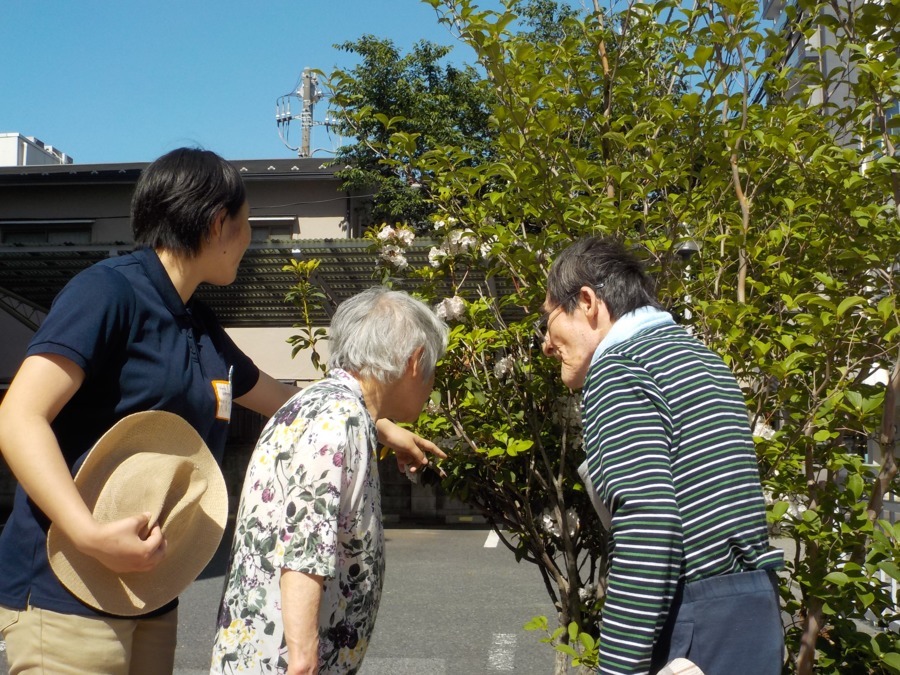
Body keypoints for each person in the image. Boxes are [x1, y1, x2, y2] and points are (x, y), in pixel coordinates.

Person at [0, 148, 440, 675]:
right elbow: (19, 416)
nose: (251, 237)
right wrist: (88, 533)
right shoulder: (107, 293)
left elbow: (290, 401)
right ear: (217, 224)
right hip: (65, 585)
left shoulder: (197, 323)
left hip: (149, 590)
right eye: (248, 221)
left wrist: (384, 427)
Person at [540, 236, 784, 675]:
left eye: (548, 318)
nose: (545, 343)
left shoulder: (619, 367)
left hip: (694, 629)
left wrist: (617, 668)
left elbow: (648, 519)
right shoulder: (701, 359)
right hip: (753, 612)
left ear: (588, 301)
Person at [210, 286, 449, 675]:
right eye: (432, 367)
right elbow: (304, 546)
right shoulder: (340, 421)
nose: (432, 381)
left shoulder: (318, 404)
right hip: (287, 664)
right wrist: (303, 662)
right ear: (414, 360)